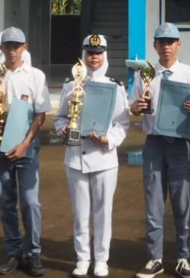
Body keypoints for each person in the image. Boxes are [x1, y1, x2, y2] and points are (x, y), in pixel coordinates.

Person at [129, 23, 190, 278]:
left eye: (170, 41)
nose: (166, 46)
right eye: (161, 42)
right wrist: (137, 107)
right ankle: (155, 258)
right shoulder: (144, 75)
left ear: (178, 44)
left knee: (182, 202)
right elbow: (133, 108)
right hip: (154, 142)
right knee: (153, 201)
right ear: (155, 46)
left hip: (180, 144)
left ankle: (183, 258)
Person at [53, 34, 130, 278]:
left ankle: (101, 259)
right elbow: (60, 117)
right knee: (80, 213)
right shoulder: (70, 84)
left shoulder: (115, 87)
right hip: (76, 156)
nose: (93, 57)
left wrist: (111, 139)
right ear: (84, 55)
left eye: (98, 53)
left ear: (104, 55)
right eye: (89, 52)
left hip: (104, 157)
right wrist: (62, 130)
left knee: (103, 212)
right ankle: (83, 258)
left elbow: (122, 122)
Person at [0, 27, 52, 277]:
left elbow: (41, 114)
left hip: (27, 149)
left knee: (31, 202)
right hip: (0, 151)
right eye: (7, 46)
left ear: (25, 47)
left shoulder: (35, 76)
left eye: (16, 46)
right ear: (1, 48)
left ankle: (33, 253)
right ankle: (13, 252)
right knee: (6, 203)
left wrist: (25, 143)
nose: (11, 50)